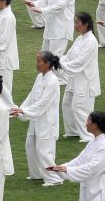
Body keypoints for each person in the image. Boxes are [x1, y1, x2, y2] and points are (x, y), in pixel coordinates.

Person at [10, 51, 63, 186]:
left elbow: (43, 103)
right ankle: (37, 174)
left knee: (44, 151)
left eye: (39, 61)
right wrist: (20, 111)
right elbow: (31, 97)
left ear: (48, 64)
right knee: (30, 146)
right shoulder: (40, 77)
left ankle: (54, 179)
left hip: (47, 122)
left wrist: (24, 111)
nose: (37, 64)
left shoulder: (53, 81)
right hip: (36, 120)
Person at [47, 111, 105, 200]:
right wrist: (61, 167)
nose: (86, 124)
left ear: (95, 125)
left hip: (100, 190)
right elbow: (80, 160)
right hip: (89, 188)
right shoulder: (93, 142)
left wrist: (68, 170)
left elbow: (94, 167)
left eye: (88, 121)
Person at [59, 13, 102, 142]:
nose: (75, 25)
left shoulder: (91, 41)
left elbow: (81, 62)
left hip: (85, 80)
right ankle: (72, 131)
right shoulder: (79, 39)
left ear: (86, 24)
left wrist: (61, 65)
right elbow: (69, 55)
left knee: (80, 107)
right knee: (66, 103)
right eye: (75, 22)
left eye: (77, 23)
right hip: (74, 78)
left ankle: (87, 135)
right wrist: (57, 60)